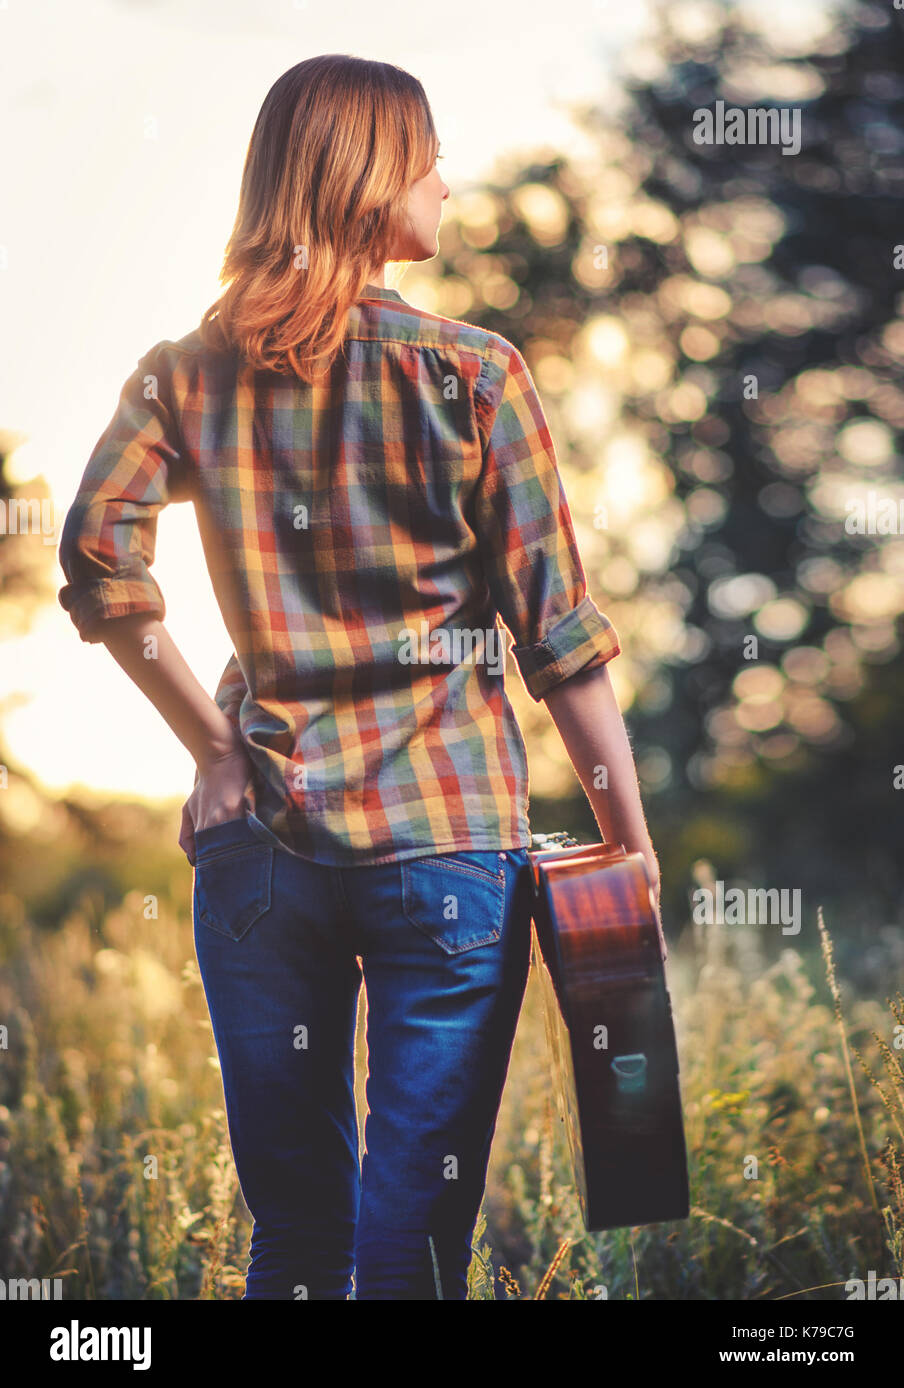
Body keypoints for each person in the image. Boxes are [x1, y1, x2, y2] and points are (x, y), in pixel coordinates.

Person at [57, 54, 660, 1301]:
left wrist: (215, 752)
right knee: (413, 1245)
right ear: (374, 173)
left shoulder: (188, 368)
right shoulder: (475, 375)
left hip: (261, 846)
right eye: (429, 153)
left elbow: (100, 556)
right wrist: (625, 841)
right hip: (447, 853)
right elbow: (561, 639)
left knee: (293, 1240)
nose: (447, 178)